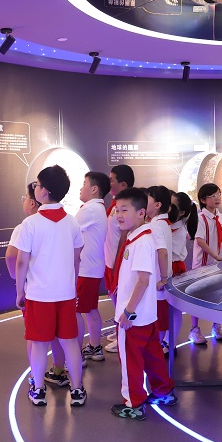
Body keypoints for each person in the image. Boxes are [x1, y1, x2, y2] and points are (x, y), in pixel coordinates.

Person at [15, 165, 86, 407]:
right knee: (70, 342)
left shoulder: (31, 224)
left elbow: (21, 261)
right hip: (65, 294)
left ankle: (38, 390)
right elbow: (76, 259)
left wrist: (19, 291)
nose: (35, 188)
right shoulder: (72, 223)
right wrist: (72, 286)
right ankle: (77, 390)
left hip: (38, 295)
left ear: (44, 191)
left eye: (37, 184)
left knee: (38, 344)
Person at [109, 187, 177, 420]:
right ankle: (163, 391)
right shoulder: (138, 238)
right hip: (146, 315)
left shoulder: (141, 242)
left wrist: (128, 312)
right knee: (152, 356)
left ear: (140, 213)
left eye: (124, 210)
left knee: (131, 360)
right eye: (117, 210)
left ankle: (134, 403)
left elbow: (143, 280)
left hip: (134, 317)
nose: (119, 215)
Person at [5, 182, 68, 387]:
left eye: (25, 198)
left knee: (35, 337)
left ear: (33, 202)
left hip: (35, 292)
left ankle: (35, 376)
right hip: (61, 290)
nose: (24, 202)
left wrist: (18, 281)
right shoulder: (66, 222)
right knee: (59, 335)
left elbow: (11, 256)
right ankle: (59, 370)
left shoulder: (26, 225)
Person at [189, 183, 222, 343]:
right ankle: (194, 329)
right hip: (203, 264)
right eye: (213, 196)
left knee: (219, 294)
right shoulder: (200, 218)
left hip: (220, 263)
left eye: (219, 194)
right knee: (196, 296)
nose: (217, 198)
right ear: (203, 200)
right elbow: (200, 240)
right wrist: (215, 256)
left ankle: (216, 326)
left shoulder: (221, 217)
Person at [75, 171, 111, 363]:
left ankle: (76, 355)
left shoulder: (89, 209)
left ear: (94, 189)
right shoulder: (96, 208)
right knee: (89, 309)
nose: (81, 188)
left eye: (84, 183)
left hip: (86, 270)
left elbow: (69, 230)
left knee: (75, 312)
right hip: (92, 269)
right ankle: (95, 347)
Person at [103, 164, 136, 353]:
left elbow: (124, 235)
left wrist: (118, 262)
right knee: (116, 299)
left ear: (123, 184)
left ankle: (125, 336)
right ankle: (120, 333)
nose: (109, 183)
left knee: (122, 300)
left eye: (112, 180)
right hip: (110, 261)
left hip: (118, 261)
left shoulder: (126, 206)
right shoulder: (115, 204)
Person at [145, 185, 175, 356]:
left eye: (147, 199)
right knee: (160, 318)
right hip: (160, 281)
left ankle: (154, 352)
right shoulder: (161, 223)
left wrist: (163, 278)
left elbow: (162, 252)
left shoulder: (156, 225)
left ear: (157, 205)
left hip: (158, 282)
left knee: (158, 320)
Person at [169, 191, 199, 346]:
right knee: (163, 308)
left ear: (181, 212)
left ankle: (171, 341)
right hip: (166, 266)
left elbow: (168, 252)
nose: (167, 207)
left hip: (174, 268)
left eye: (171, 205)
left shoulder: (179, 230)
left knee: (174, 307)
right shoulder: (167, 225)